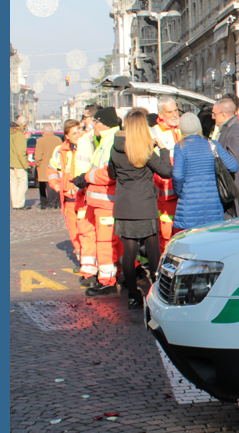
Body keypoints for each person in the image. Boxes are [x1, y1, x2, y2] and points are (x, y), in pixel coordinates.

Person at [108, 110, 173, 309]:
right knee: (153, 251)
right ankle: (156, 292)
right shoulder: (144, 150)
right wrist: (163, 150)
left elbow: (111, 174)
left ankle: (133, 295)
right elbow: (166, 171)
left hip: (124, 206)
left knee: (129, 252)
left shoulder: (115, 148)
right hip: (144, 205)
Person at [73, 107, 123, 297]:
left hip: (106, 201)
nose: (93, 125)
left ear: (103, 123)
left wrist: (85, 177)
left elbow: (108, 173)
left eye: (96, 121)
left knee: (105, 241)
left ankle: (107, 280)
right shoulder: (107, 139)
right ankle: (108, 276)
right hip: (100, 200)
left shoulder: (111, 141)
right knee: (105, 240)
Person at [171, 112, 239, 233]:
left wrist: (180, 192)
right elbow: (233, 166)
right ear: (199, 128)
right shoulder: (212, 144)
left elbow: (177, 175)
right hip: (213, 203)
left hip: (190, 203)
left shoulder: (180, 147)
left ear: (181, 129)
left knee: (191, 243)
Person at [47, 119, 85, 265]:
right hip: (69, 199)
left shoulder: (86, 147)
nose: (78, 134)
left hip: (83, 197)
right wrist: (55, 183)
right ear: (67, 136)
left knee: (86, 231)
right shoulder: (59, 150)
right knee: (74, 232)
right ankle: (83, 260)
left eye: (80, 131)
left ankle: (89, 262)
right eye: (74, 132)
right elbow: (51, 169)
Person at [151, 97, 182, 252]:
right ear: (161, 114)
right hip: (165, 195)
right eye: (169, 112)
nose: (174, 114)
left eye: (176, 110)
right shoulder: (154, 133)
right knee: (166, 235)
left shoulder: (182, 128)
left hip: (182, 193)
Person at [212, 98, 239, 218]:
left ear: (223, 114)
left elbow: (233, 164)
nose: (213, 117)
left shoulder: (236, 132)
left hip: (235, 198)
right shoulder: (228, 130)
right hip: (230, 196)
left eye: (214, 114)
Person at [34, 126, 62, 209]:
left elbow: (38, 155)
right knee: (54, 183)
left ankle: (46, 203)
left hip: (44, 165)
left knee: (44, 185)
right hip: (55, 165)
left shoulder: (41, 140)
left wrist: (37, 163)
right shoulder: (58, 139)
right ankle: (57, 202)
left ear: (44, 131)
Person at [10, 116, 30, 210]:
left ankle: (15, 203)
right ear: (24, 124)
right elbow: (20, 151)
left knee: (13, 183)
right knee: (23, 183)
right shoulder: (19, 134)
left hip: (10, 162)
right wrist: (25, 164)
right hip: (19, 162)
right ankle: (20, 203)